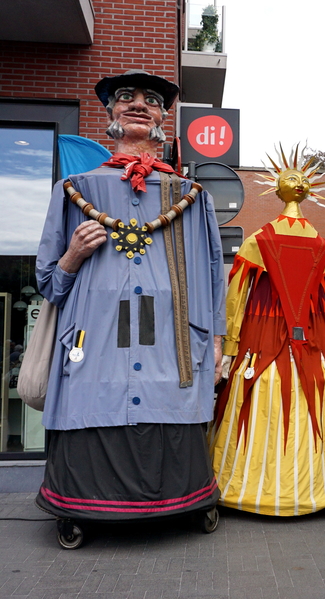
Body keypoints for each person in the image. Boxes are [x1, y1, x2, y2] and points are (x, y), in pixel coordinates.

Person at [35, 70, 226, 526]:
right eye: (126, 97)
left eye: (151, 100)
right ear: (110, 112)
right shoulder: (77, 189)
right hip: (93, 349)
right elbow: (48, 283)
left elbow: (214, 279)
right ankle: (81, 511)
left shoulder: (192, 198)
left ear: (164, 117)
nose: (139, 104)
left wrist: (217, 341)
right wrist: (72, 256)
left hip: (172, 347)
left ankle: (185, 503)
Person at [209, 145, 325, 517]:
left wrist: (229, 346)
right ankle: (316, 487)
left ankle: (247, 486)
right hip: (314, 347)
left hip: (263, 339)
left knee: (260, 395)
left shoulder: (258, 242)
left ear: (278, 190)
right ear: (305, 191)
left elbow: (236, 297)